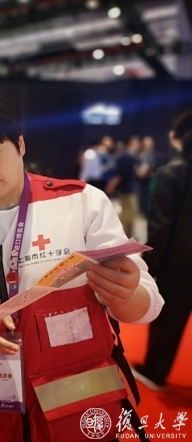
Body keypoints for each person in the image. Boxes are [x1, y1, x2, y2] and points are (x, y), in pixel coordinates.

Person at [0, 93, 163, 442]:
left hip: (74, 406)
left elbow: (149, 302)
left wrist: (127, 295)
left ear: (20, 144)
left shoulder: (80, 203)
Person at [133, 111, 192, 391]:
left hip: (178, 264)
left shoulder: (171, 173)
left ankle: (155, 372)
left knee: (168, 322)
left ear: (176, 137)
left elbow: (160, 228)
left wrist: (149, 267)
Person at [106, 135, 141, 237]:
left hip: (128, 188)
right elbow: (121, 174)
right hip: (127, 189)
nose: (138, 144)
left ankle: (127, 234)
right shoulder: (127, 157)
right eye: (136, 142)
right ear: (131, 143)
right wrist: (112, 184)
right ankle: (127, 235)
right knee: (128, 214)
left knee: (128, 213)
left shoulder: (130, 156)